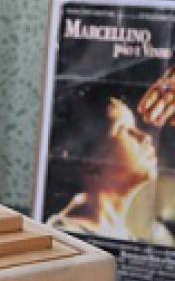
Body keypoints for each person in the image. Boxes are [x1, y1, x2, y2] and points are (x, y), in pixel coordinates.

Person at [47, 74, 175, 246]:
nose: (145, 137)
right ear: (90, 164)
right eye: (124, 129)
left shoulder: (146, 235)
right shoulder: (64, 239)